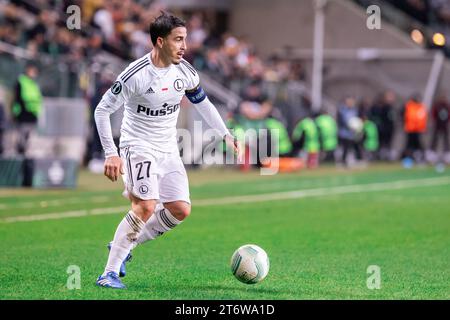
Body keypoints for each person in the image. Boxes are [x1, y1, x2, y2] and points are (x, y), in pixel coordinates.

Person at [94, 12, 241, 289]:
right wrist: (110, 153)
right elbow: (102, 110)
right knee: (146, 206)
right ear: (160, 41)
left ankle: (123, 245)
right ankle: (109, 273)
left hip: (167, 148)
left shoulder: (185, 72)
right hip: (137, 146)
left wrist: (225, 134)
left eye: (185, 39)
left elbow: (204, 104)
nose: (184, 46)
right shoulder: (135, 75)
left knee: (179, 209)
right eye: (178, 40)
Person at [11, 62, 42, 156]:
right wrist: (15, 113)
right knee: (21, 139)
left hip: (32, 114)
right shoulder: (21, 81)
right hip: (23, 114)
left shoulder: (34, 83)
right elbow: (16, 99)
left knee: (28, 139)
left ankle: (24, 157)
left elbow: (38, 99)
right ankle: (19, 157)